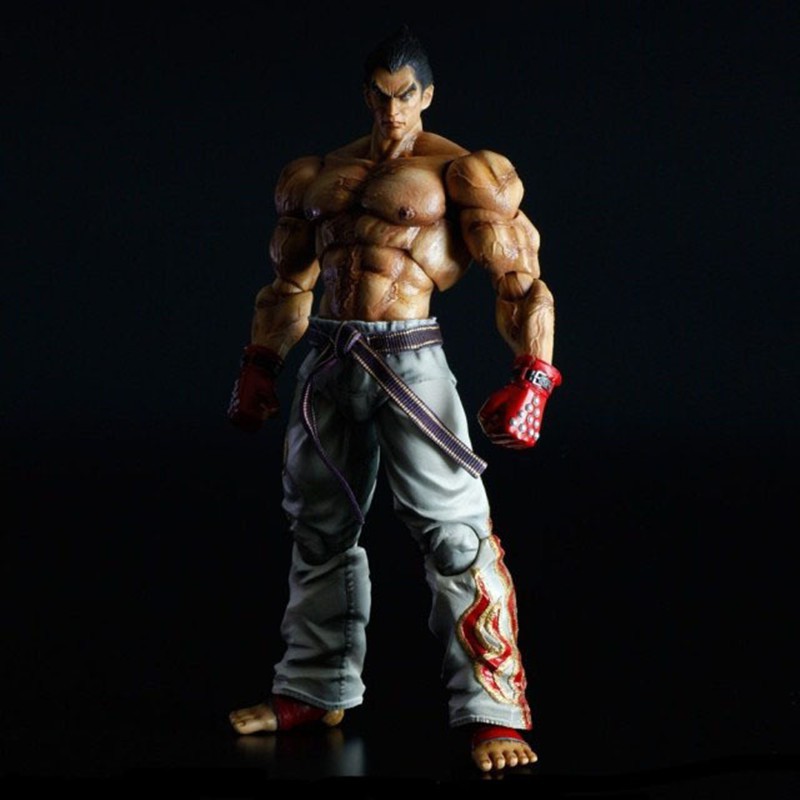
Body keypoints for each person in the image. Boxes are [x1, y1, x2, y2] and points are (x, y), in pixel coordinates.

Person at [225, 24, 561, 773]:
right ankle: (313, 690)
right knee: (317, 529)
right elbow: (288, 285)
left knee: (455, 536)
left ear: (428, 94)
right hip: (328, 358)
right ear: (365, 96)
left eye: (406, 95)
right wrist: (260, 363)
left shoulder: (465, 172)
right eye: (380, 96)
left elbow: (520, 279)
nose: (392, 110)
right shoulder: (318, 174)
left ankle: (494, 710)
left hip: (410, 361)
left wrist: (533, 375)